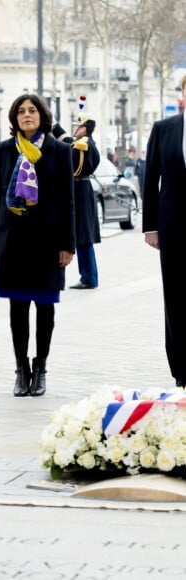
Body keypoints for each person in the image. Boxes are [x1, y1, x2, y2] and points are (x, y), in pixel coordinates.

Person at [0, 94, 75, 397]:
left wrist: (68, 245)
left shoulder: (59, 151)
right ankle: (21, 368)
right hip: (13, 242)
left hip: (47, 243)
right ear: (15, 118)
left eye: (32, 110)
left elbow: (67, 202)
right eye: (21, 111)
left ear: (42, 115)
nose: (26, 115)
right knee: (18, 308)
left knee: (45, 309)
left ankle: (41, 368)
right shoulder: (5, 149)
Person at [142, 74, 186, 388]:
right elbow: (150, 178)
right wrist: (150, 227)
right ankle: (181, 369)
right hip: (173, 228)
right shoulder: (164, 129)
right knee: (176, 295)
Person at [52, 114, 101, 289]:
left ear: (84, 128)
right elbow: (69, 142)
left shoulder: (84, 144)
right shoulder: (83, 143)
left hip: (80, 190)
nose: (75, 129)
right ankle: (88, 276)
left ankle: (89, 277)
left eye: (77, 126)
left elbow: (70, 152)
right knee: (82, 236)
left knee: (83, 236)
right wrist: (55, 127)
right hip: (80, 189)